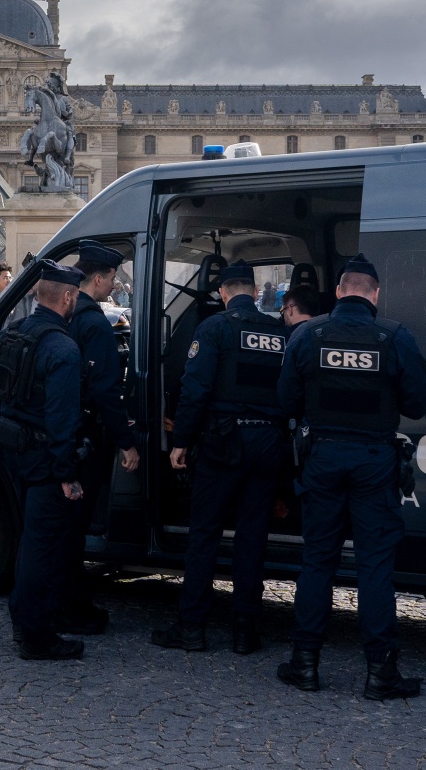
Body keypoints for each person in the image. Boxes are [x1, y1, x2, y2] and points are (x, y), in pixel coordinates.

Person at [277, 254, 426, 701]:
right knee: (375, 567)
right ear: (375, 294)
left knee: (317, 562)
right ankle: (381, 673)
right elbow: (417, 404)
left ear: (340, 291)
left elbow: (286, 402)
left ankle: (305, 664)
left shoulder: (307, 334)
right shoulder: (394, 336)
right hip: (374, 461)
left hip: (322, 458)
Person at [152, 261, 290, 655]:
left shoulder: (215, 328)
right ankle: (245, 632)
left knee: (205, 534)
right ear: (255, 291)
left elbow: (195, 389)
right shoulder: (278, 332)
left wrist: (180, 441)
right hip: (268, 442)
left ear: (223, 293)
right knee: (252, 537)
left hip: (224, 442)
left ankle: (192, 627)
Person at [0, 260, 89, 661]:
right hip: (46, 459)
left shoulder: (13, 333)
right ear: (67, 297)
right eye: (76, 295)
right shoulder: (63, 349)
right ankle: (36, 636)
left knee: (27, 540)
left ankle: (23, 620)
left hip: (12, 451)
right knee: (43, 547)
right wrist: (67, 473)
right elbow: (63, 419)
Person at [58, 240, 142, 634]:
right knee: (75, 527)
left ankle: (67, 601)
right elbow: (107, 391)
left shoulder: (65, 317)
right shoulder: (95, 325)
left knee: (62, 528)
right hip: (87, 436)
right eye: (111, 277)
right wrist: (126, 441)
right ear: (98, 279)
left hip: (61, 432)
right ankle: (72, 608)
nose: (114, 284)